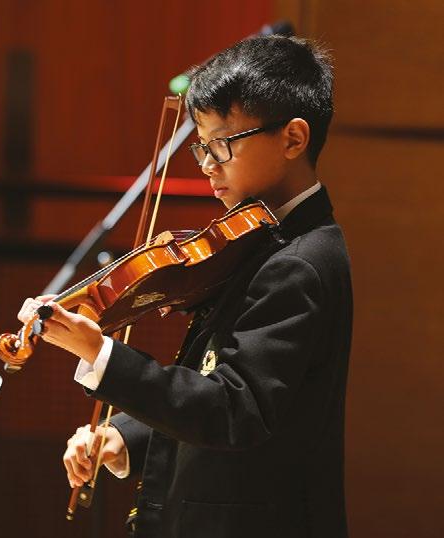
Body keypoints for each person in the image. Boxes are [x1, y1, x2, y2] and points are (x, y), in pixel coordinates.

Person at [18, 35, 352, 538]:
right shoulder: (259, 239)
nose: (207, 164)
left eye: (222, 144)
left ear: (293, 139)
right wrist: (127, 437)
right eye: (201, 146)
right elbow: (211, 377)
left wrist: (101, 354)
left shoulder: (300, 262)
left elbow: (235, 410)